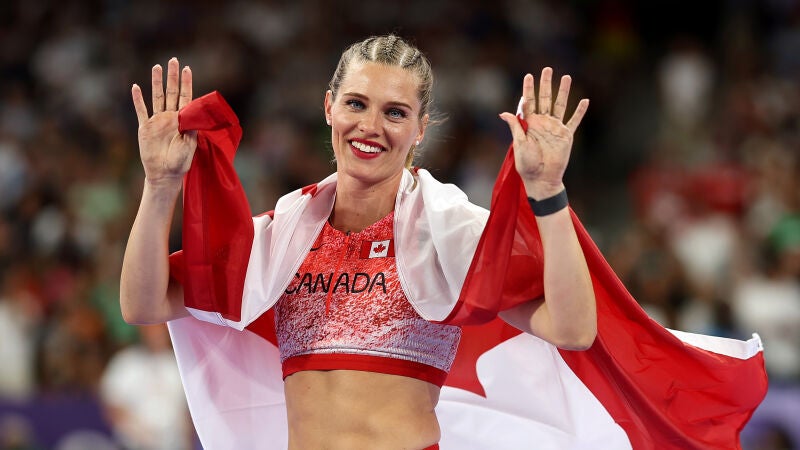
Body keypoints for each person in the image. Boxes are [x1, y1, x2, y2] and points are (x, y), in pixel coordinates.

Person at [121, 34, 766, 450]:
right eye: (356, 104)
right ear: (328, 107)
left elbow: (572, 329)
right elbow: (144, 304)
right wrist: (160, 185)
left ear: (421, 128)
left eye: (395, 112)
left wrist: (547, 194)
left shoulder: (446, 233)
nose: (371, 126)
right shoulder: (281, 236)